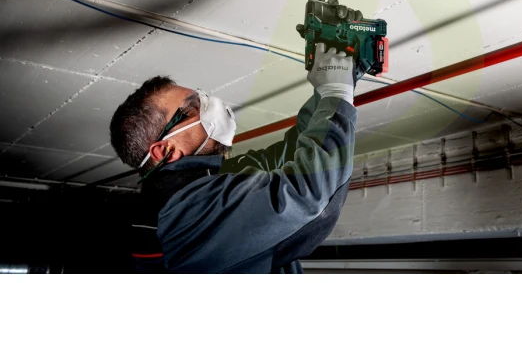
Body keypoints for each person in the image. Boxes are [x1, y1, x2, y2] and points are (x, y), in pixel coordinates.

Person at [109, 43, 358, 273]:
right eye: (192, 107)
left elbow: (290, 153)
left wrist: (338, 80)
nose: (209, 104)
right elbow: (309, 195)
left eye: (200, 97)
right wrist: (336, 91)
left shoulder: (206, 180)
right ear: (166, 151)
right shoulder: (185, 215)